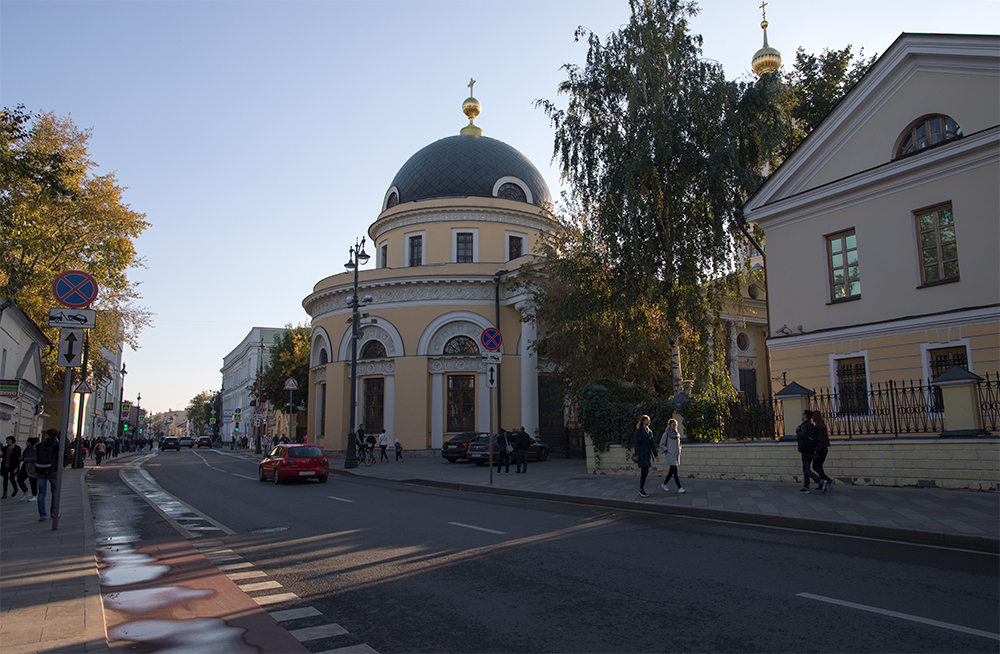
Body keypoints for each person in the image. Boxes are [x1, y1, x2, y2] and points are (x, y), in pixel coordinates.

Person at [796, 410, 826, 494]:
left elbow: (802, 435)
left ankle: (820, 481)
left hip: (805, 448)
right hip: (812, 449)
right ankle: (806, 486)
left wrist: (797, 430)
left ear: (805, 416)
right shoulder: (812, 426)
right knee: (807, 468)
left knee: (806, 468)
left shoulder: (804, 425)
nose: (802, 416)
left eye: (803, 414)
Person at [35, 429, 60, 520]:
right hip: (52, 470)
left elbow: (37, 456)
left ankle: (42, 514)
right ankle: (53, 512)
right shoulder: (57, 445)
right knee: (54, 492)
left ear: (47, 435)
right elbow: (62, 456)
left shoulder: (39, 445)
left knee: (41, 493)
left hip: (40, 470)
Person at [632, 415, 658, 497]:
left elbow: (652, 444)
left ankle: (641, 488)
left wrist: (656, 455)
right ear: (643, 421)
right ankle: (641, 489)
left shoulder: (649, 431)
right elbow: (636, 443)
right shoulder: (639, 431)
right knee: (645, 470)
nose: (649, 422)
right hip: (641, 453)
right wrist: (637, 455)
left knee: (645, 470)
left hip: (647, 453)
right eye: (647, 420)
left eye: (649, 420)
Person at [659, 419, 686, 494]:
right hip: (670, 455)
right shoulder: (666, 434)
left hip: (676, 455)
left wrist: (679, 449)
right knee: (675, 471)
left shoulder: (677, 434)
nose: (674, 427)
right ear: (669, 425)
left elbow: (679, 444)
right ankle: (679, 487)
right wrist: (668, 450)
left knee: (671, 471)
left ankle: (664, 484)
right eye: (673, 425)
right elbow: (661, 444)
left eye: (675, 425)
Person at [811, 411, 834, 492]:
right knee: (819, 467)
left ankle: (828, 480)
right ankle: (821, 484)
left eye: (813, 417)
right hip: (824, 448)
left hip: (820, 449)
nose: (812, 418)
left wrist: (817, 452)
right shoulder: (823, 426)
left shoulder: (817, 427)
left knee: (815, 467)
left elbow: (819, 441)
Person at [17, 436, 39, 501]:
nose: (26, 443)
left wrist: (25, 459)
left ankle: (34, 495)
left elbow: (35, 458)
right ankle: (25, 492)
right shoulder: (28, 448)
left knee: (32, 481)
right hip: (26, 466)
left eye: (27, 442)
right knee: (19, 479)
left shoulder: (35, 448)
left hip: (32, 466)